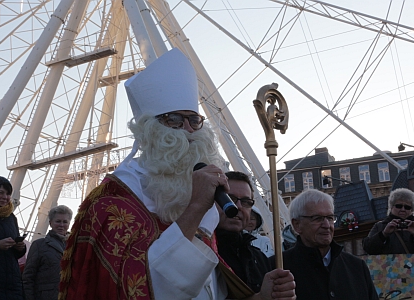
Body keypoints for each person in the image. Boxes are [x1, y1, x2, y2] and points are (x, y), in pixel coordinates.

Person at [59, 48, 295, 300]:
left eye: (194, 120)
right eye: (174, 120)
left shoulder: (204, 213)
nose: (188, 131)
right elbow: (141, 288)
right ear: (148, 130)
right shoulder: (112, 204)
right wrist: (195, 206)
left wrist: (261, 297)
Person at [271, 189, 378, 300]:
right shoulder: (276, 269)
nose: (327, 225)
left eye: (330, 218)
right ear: (297, 225)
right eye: (317, 218)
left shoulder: (357, 267)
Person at [217, 171, 271, 294]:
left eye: (246, 202)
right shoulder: (199, 252)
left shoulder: (259, 259)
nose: (239, 206)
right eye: (229, 199)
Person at [23, 205, 73, 299]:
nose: (61, 225)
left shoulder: (75, 246)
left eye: (65, 222)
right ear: (50, 223)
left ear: (69, 224)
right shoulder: (39, 245)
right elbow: (28, 277)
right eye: (58, 221)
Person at [362, 188, 414, 254]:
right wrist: (383, 234)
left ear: (411, 210)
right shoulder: (380, 226)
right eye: (399, 206)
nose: (403, 209)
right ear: (391, 207)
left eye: (407, 207)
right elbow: (368, 249)